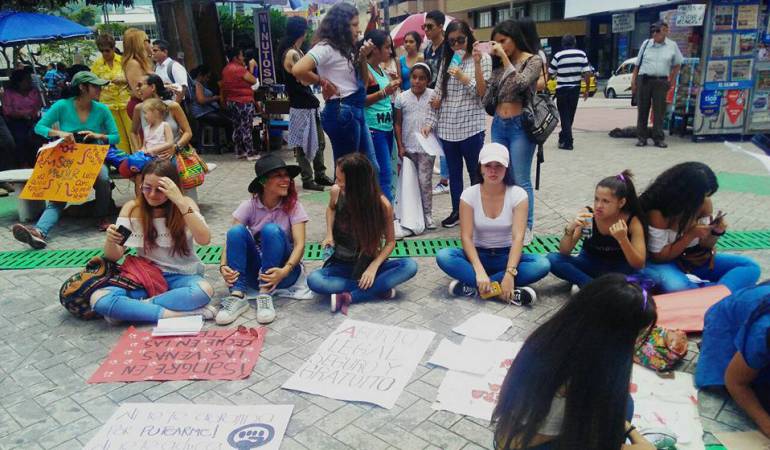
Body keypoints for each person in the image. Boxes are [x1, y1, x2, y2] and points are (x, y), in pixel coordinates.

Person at [492, 274, 657, 450]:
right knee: (622, 407)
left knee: (624, 404)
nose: (638, 343)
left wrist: (631, 430)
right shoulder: (569, 376)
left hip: (530, 434)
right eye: (636, 336)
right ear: (612, 337)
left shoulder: (561, 337)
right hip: (529, 444)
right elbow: (538, 439)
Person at [90, 159, 215, 323]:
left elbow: (204, 239)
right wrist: (110, 241)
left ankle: (136, 309)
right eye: (147, 188)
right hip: (146, 276)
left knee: (203, 291)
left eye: (160, 190)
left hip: (183, 276)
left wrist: (179, 201)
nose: (152, 195)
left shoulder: (186, 205)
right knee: (99, 298)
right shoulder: (132, 208)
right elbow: (114, 256)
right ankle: (183, 314)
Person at [12, 72, 118, 249]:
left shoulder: (102, 109)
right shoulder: (62, 106)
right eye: (96, 86)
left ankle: (101, 216)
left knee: (103, 177)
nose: (100, 89)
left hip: (93, 155)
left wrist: (97, 135)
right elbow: (39, 127)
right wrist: (60, 133)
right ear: (83, 87)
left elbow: (116, 137)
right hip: (68, 155)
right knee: (59, 194)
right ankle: (40, 232)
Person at [435, 143, 549, 305]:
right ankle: (502, 291)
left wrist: (510, 274)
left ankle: (475, 289)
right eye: (488, 165)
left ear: (507, 168)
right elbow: (466, 238)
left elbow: (518, 238)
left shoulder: (518, 195)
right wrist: (479, 271)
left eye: (499, 166)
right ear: (480, 167)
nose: (493, 171)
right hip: (477, 256)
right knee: (444, 256)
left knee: (542, 264)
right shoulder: (469, 195)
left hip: (507, 257)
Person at [307, 153, 418, 313]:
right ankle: (378, 289)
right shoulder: (337, 192)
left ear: (356, 182)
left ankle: (351, 296)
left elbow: (390, 242)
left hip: (367, 263)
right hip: (341, 263)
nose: (337, 183)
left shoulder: (382, 205)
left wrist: (373, 267)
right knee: (315, 280)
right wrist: (329, 234)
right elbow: (331, 209)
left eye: (340, 180)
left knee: (409, 266)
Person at [640, 162, 760, 293]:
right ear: (685, 195)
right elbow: (660, 257)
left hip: (693, 259)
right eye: (701, 195)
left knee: (750, 266)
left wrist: (715, 232)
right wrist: (689, 235)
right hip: (664, 263)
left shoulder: (704, 203)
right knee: (677, 287)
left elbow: (705, 245)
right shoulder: (658, 213)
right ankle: (719, 292)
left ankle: (711, 294)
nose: (704, 199)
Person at [217, 155, 309, 325]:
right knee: (236, 231)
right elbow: (231, 239)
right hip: (256, 273)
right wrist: (223, 266)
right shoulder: (249, 205)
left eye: (286, 175)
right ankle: (237, 295)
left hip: (284, 273)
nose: (286, 180)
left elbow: (300, 245)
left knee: (271, 230)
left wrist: (285, 270)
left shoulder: (294, 205)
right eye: (279, 176)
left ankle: (265, 294)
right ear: (264, 182)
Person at [422, 20, 492, 229]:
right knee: (453, 174)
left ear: (469, 37)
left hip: (471, 127)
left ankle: (478, 212)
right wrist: (429, 122)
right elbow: (439, 93)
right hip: (448, 128)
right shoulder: (449, 59)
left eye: (460, 40)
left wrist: (463, 76)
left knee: (475, 172)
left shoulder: (483, 59)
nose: (456, 46)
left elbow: (482, 93)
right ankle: (457, 211)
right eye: (451, 42)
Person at [292, 3, 378, 167]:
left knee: (369, 168)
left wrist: (363, 58)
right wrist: (322, 81)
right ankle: (340, 193)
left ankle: (358, 193)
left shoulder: (348, 47)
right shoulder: (326, 47)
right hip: (342, 110)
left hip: (353, 108)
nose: (357, 30)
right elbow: (298, 69)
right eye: (353, 25)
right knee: (350, 171)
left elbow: (365, 84)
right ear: (341, 25)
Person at [484, 19, 543, 243]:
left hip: (521, 125)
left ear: (515, 38)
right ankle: (506, 223)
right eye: (495, 42)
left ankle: (526, 227)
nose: (499, 46)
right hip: (499, 124)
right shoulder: (498, 65)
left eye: (503, 41)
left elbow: (521, 84)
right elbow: (486, 100)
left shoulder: (533, 60)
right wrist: (482, 65)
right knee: (501, 176)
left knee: (520, 178)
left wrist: (506, 59)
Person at [547, 170, 646, 290]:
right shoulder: (589, 215)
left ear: (621, 202)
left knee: (642, 278)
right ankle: (593, 287)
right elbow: (565, 252)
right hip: (589, 262)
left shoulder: (632, 221)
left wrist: (623, 240)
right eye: (596, 199)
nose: (598, 206)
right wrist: (570, 229)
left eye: (606, 201)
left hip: (618, 268)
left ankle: (588, 285)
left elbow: (639, 263)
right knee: (553, 259)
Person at [696, 281, 770, 437]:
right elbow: (736, 383)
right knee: (750, 387)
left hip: (755, 308)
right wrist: (765, 424)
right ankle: (737, 346)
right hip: (726, 321)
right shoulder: (763, 333)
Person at [278, 17, 334, 192]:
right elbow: (303, 79)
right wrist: (320, 80)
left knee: (319, 142)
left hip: (307, 103)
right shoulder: (291, 54)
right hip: (300, 105)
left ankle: (319, 174)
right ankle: (308, 178)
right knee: (303, 145)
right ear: (303, 31)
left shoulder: (298, 51)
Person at [395, 63, 436, 230]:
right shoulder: (402, 98)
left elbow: (436, 116)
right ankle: (410, 215)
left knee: (424, 181)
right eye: (414, 77)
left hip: (427, 147)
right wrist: (400, 145)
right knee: (409, 182)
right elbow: (398, 123)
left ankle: (427, 214)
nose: (417, 81)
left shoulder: (433, 96)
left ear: (428, 80)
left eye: (422, 78)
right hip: (408, 147)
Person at [631, 22, 683, 148]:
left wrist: (672, 80)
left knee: (659, 111)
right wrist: (633, 81)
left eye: (657, 31)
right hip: (644, 79)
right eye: (653, 31)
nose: (654, 34)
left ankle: (658, 138)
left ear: (665, 31)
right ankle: (642, 137)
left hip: (662, 80)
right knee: (643, 109)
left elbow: (677, 64)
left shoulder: (672, 46)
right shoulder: (647, 44)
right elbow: (637, 64)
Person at [364, 29, 401, 202]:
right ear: (375, 49)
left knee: (388, 172)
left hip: (386, 128)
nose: (390, 51)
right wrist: (384, 92)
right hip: (374, 129)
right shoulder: (366, 70)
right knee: (384, 173)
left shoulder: (380, 69)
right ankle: (387, 214)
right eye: (387, 47)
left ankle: (386, 210)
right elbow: (361, 100)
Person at [130, 74, 193, 163]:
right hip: (150, 156)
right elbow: (133, 132)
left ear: (152, 87)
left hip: (174, 154)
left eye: (140, 85)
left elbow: (188, 132)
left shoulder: (173, 106)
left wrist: (175, 147)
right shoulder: (139, 108)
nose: (137, 89)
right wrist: (138, 152)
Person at [422, 10, 450, 197]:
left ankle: (445, 180)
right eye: (425, 27)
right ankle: (442, 177)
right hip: (430, 99)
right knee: (434, 139)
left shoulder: (448, 48)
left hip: (445, 99)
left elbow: (449, 75)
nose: (427, 31)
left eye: (430, 27)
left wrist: (442, 96)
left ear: (441, 27)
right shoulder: (427, 49)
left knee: (445, 141)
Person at [91, 33, 133, 153]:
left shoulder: (124, 61)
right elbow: (93, 84)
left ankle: (138, 159)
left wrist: (124, 80)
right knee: (117, 136)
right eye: (102, 51)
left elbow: (135, 79)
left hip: (126, 102)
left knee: (132, 133)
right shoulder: (96, 65)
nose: (105, 53)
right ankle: (123, 160)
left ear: (114, 48)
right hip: (108, 105)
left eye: (107, 50)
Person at [548, 34, 591, 151]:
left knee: (564, 115)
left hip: (561, 89)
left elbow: (550, 72)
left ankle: (567, 140)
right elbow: (587, 73)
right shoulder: (581, 55)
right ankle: (565, 138)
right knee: (570, 115)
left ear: (563, 44)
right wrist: (586, 89)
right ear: (574, 42)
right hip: (575, 89)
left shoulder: (558, 55)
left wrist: (549, 80)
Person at [222, 47, 259, 160]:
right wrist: (252, 68)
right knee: (246, 126)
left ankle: (239, 151)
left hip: (231, 101)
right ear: (236, 57)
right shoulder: (239, 69)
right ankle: (250, 153)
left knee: (237, 126)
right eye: (242, 55)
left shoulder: (226, 69)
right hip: (244, 101)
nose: (243, 58)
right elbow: (253, 80)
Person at [2, 69, 42, 168]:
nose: (29, 82)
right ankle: (22, 163)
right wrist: (22, 114)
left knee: (38, 137)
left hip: (33, 120)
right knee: (21, 139)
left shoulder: (34, 92)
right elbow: (7, 111)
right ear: (18, 82)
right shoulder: (8, 93)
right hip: (16, 121)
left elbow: (38, 106)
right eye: (27, 80)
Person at [189, 64, 233, 148]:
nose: (207, 79)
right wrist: (214, 98)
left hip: (205, 111)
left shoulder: (198, 84)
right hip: (203, 113)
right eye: (207, 77)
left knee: (227, 116)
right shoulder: (197, 84)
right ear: (201, 75)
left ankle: (228, 142)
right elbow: (201, 100)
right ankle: (229, 143)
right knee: (229, 121)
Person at [122, 28, 154, 118]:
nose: (150, 44)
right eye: (147, 40)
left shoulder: (143, 62)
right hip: (144, 107)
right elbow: (139, 92)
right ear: (140, 44)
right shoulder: (133, 63)